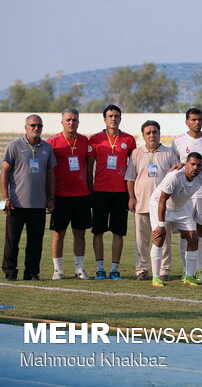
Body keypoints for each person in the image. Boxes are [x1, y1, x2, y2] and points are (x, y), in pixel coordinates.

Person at [2, 114, 56, 281]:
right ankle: (10, 271)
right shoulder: (14, 146)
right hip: (16, 203)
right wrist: (5, 198)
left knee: (35, 242)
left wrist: (51, 198)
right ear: (26, 127)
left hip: (39, 204)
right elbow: (4, 171)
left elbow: (51, 174)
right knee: (12, 241)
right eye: (33, 125)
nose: (36, 128)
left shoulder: (47, 148)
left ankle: (31, 272)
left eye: (39, 125)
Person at [149, 152, 202, 287]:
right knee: (159, 237)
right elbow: (162, 200)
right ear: (186, 164)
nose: (195, 168)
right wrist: (161, 225)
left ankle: (189, 277)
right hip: (161, 205)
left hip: (180, 208)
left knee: (193, 237)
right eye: (192, 164)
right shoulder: (174, 177)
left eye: (198, 165)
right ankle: (156, 278)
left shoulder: (201, 176)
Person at [126, 120, 180, 282]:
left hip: (162, 206)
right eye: (148, 133)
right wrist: (131, 197)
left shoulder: (169, 153)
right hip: (141, 203)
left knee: (164, 239)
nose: (152, 135)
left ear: (159, 134)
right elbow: (130, 178)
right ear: (143, 136)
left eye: (154, 132)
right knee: (141, 241)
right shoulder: (136, 153)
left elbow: (177, 177)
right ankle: (141, 270)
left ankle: (164, 270)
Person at [87, 104, 136, 280]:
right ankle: (100, 268)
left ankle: (115, 268)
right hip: (99, 191)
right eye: (110, 116)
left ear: (120, 119)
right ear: (104, 119)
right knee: (97, 231)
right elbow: (88, 167)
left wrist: (132, 195)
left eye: (116, 116)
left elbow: (133, 167)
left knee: (118, 232)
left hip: (121, 192)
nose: (113, 118)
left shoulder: (129, 140)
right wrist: (89, 189)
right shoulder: (95, 139)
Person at [171, 108, 202, 280]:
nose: (197, 122)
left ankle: (200, 270)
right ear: (187, 122)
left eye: (200, 119)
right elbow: (176, 169)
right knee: (186, 232)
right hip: (185, 195)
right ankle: (186, 270)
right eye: (194, 119)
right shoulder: (178, 141)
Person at [47, 109, 92, 280]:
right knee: (59, 233)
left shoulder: (84, 140)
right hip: (60, 195)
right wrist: (49, 196)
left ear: (78, 122)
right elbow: (48, 171)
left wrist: (90, 190)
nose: (71, 122)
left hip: (81, 194)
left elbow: (88, 169)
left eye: (74, 120)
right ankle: (57, 270)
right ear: (62, 122)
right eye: (68, 120)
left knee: (80, 233)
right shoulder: (52, 141)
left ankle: (79, 269)